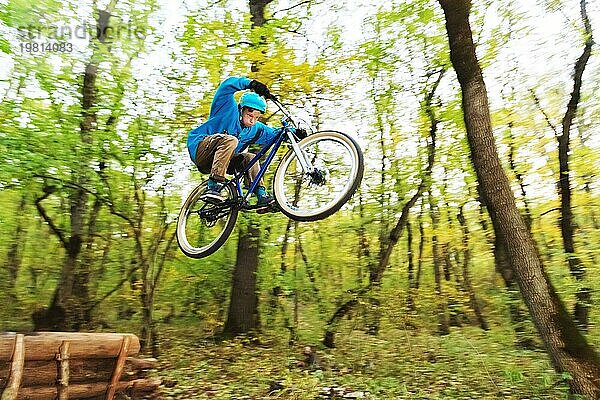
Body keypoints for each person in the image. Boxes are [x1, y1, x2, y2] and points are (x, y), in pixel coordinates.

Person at [187, 76, 304, 211]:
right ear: (241, 109)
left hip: (220, 161)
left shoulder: (255, 129)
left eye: (257, 117)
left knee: (250, 157)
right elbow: (226, 86)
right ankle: (214, 185)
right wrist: (251, 84)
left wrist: (295, 133)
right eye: (250, 114)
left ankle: (261, 195)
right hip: (202, 150)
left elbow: (274, 134)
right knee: (231, 140)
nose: (252, 120)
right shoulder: (226, 108)